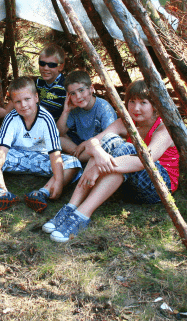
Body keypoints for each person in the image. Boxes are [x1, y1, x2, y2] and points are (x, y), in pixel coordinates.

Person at [44, 79, 179, 242]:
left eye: (143, 102)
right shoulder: (127, 122)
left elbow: (144, 161)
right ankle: (71, 207)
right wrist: (97, 150)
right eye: (132, 101)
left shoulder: (163, 128)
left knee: (128, 149)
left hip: (158, 187)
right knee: (108, 141)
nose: (136, 108)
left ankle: (82, 214)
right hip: (128, 186)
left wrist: (98, 168)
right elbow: (96, 141)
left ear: (155, 105)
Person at [0, 76, 82, 213]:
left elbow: (54, 153)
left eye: (27, 99)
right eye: (18, 101)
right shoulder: (11, 118)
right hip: (16, 156)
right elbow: (2, 151)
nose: (23, 105)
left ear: (36, 98)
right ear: (13, 103)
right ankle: (1, 192)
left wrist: (58, 181)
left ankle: (42, 193)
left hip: (41, 158)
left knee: (73, 163)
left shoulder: (46, 119)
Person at [56, 70, 118, 162]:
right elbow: (59, 132)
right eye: (73, 93)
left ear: (91, 89)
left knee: (103, 146)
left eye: (81, 90)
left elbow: (110, 137)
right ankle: (80, 157)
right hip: (81, 145)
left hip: (99, 146)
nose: (78, 96)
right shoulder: (76, 108)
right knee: (59, 139)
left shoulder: (103, 108)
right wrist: (66, 111)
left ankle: (77, 158)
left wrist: (86, 144)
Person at [36, 43, 67, 121]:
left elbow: (39, 111)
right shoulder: (40, 81)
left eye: (52, 65)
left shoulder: (62, 86)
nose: (46, 68)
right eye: (42, 63)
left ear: (61, 67)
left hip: (56, 127)